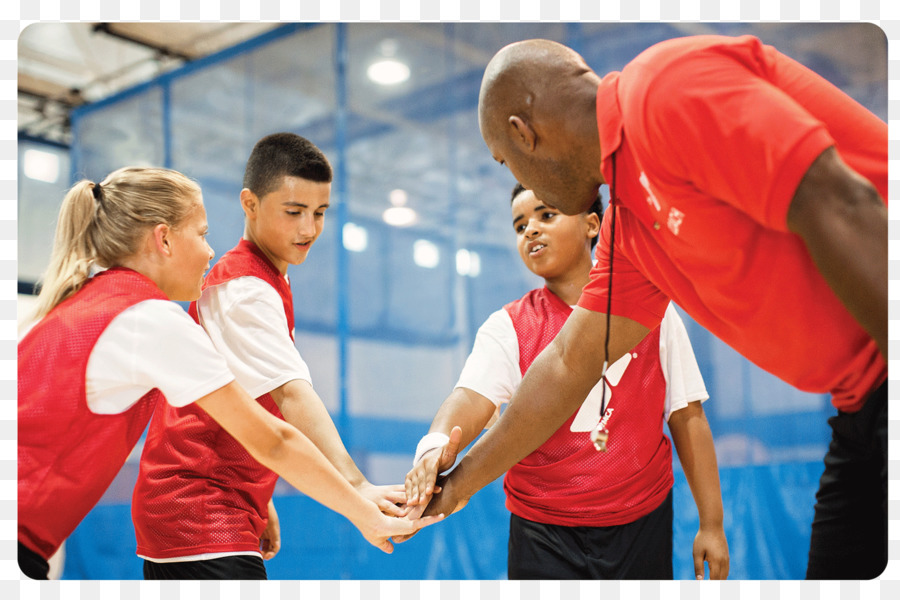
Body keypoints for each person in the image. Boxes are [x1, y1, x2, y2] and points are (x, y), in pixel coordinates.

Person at [419, 35, 887, 580]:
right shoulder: (631, 231)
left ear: (524, 135)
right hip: (861, 407)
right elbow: (570, 363)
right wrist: (457, 485)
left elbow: (842, 202)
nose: (525, 209)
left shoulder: (663, 90)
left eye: (506, 161)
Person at [17, 166, 441, 581]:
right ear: (163, 239)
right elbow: (274, 438)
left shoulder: (73, 307)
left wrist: (252, 489)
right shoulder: (152, 315)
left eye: (320, 212)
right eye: (201, 234)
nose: (207, 250)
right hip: (186, 521)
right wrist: (361, 508)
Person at [404, 183, 728, 579]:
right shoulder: (508, 325)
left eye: (546, 214)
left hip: (642, 521)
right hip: (542, 532)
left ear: (593, 225)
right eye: (520, 226)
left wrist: (712, 524)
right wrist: (436, 444)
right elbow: (470, 397)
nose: (531, 230)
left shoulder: (653, 312)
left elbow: (687, 414)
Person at [131, 133, 408, 580]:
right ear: (250, 204)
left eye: (319, 213)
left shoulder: (260, 280)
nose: (309, 229)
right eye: (294, 212)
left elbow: (229, 402)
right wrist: (357, 491)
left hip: (205, 504)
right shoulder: (244, 291)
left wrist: (259, 492)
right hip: (198, 509)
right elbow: (291, 399)